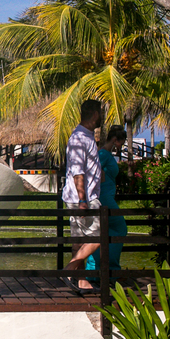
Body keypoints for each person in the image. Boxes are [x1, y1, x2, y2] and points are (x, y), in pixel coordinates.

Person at [63, 100, 104, 293]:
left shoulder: (86, 137)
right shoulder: (79, 138)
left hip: (81, 197)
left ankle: (81, 281)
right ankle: (70, 269)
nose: (102, 117)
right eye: (101, 113)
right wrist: (82, 200)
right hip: (82, 198)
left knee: (79, 242)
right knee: (99, 237)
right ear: (95, 114)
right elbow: (78, 172)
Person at [86, 125, 128, 277]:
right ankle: (109, 269)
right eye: (121, 142)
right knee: (120, 228)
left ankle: (101, 271)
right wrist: (101, 178)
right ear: (115, 140)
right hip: (104, 197)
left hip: (107, 196)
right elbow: (91, 170)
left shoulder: (106, 154)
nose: (122, 146)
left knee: (106, 232)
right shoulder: (103, 154)